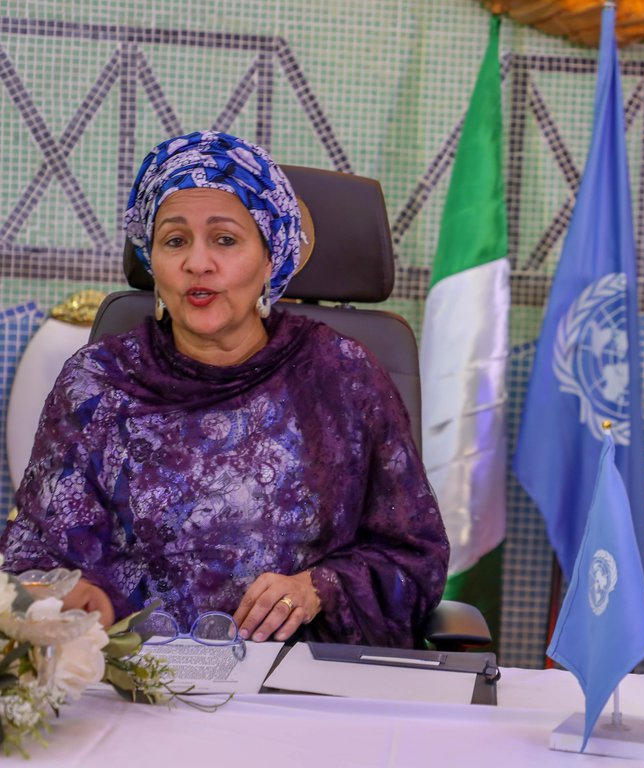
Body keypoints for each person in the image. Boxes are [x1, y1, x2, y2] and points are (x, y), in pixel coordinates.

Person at [1, 131, 449, 648]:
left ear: (269, 258)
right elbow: (35, 559)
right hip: (134, 677)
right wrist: (82, 599)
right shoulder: (96, 383)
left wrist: (318, 588)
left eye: (225, 240)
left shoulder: (342, 375)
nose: (197, 263)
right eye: (175, 241)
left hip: (297, 683)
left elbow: (413, 559)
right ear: (153, 261)